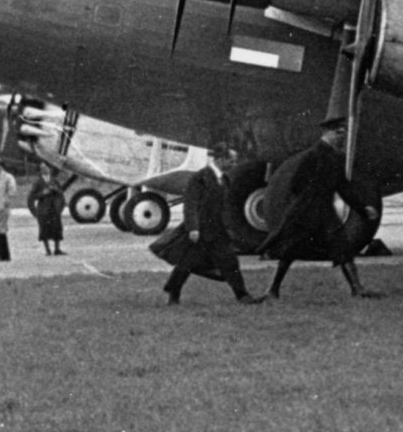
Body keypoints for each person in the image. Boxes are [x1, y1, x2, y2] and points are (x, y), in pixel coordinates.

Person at [264, 118, 382, 299]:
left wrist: (363, 208)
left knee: (343, 247)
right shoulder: (312, 156)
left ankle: (357, 288)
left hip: (324, 211)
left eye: (343, 133)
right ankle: (273, 289)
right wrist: (312, 196)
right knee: (290, 249)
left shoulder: (336, 157)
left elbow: (344, 188)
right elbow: (296, 184)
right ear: (328, 133)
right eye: (339, 133)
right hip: (308, 211)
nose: (342, 137)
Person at [163, 145, 262, 305]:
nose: (233, 164)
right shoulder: (200, 178)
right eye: (231, 160)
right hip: (200, 231)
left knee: (230, 262)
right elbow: (191, 204)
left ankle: (242, 296)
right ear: (220, 159)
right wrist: (193, 228)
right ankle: (173, 293)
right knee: (186, 264)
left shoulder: (224, 179)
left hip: (218, 230)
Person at [30, 166, 67, 256]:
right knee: (44, 230)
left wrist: (56, 190)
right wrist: (42, 193)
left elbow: (61, 193)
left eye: (47, 168)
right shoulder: (38, 183)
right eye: (43, 168)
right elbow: (32, 196)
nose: (46, 170)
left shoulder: (54, 181)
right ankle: (47, 250)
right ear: (40, 171)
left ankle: (57, 249)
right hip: (44, 209)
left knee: (57, 228)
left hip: (54, 208)